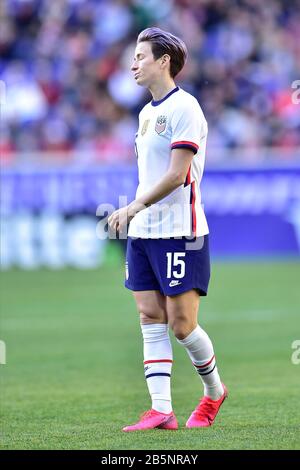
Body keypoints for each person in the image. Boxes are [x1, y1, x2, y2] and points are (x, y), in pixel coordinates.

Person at [108, 27, 227, 432]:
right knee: (149, 315)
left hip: (181, 230)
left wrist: (133, 206)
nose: (133, 64)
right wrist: (137, 213)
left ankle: (213, 393)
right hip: (144, 233)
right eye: (133, 57)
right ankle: (162, 409)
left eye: (140, 56)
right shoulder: (145, 114)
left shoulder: (186, 109)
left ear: (164, 61)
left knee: (182, 324)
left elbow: (177, 176)